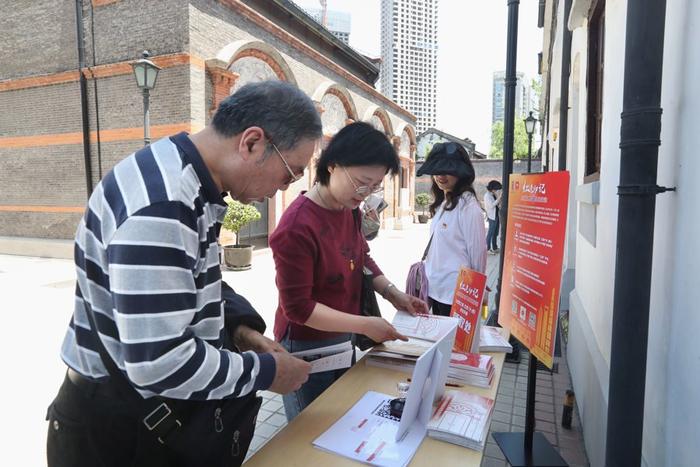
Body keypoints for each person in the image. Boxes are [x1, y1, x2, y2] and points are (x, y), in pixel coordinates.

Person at [46, 81, 322, 467]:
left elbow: (185, 284)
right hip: (117, 431)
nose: (281, 190)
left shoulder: (184, 177)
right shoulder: (165, 202)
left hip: (132, 413)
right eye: (289, 174)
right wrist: (266, 371)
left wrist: (240, 331)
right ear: (253, 143)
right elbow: (159, 363)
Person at [269, 122, 429, 421]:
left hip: (344, 334)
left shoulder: (348, 209)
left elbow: (362, 257)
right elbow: (298, 309)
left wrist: (395, 295)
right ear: (332, 166)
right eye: (361, 182)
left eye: (375, 186)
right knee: (311, 426)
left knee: (339, 418)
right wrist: (366, 325)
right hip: (306, 345)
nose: (366, 193)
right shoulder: (296, 227)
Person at [416, 142, 487, 316]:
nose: (440, 175)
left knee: (454, 343)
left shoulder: (468, 206)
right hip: (435, 289)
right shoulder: (444, 202)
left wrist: (478, 290)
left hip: (457, 294)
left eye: (447, 170)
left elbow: (478, 252)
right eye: (437, 170)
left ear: (460, 172)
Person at [484, 180, 503, 254]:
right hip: (492, 217)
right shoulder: (487, 196)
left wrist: (498, 199)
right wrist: (499, 198)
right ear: (492, 189)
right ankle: (487, 249)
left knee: (495, 233)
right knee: (490, 233)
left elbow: (497, 204)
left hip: (496, 215)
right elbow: (491, 205)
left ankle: (494, 247)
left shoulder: (492, 194)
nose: (497, 191)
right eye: (496, 189)